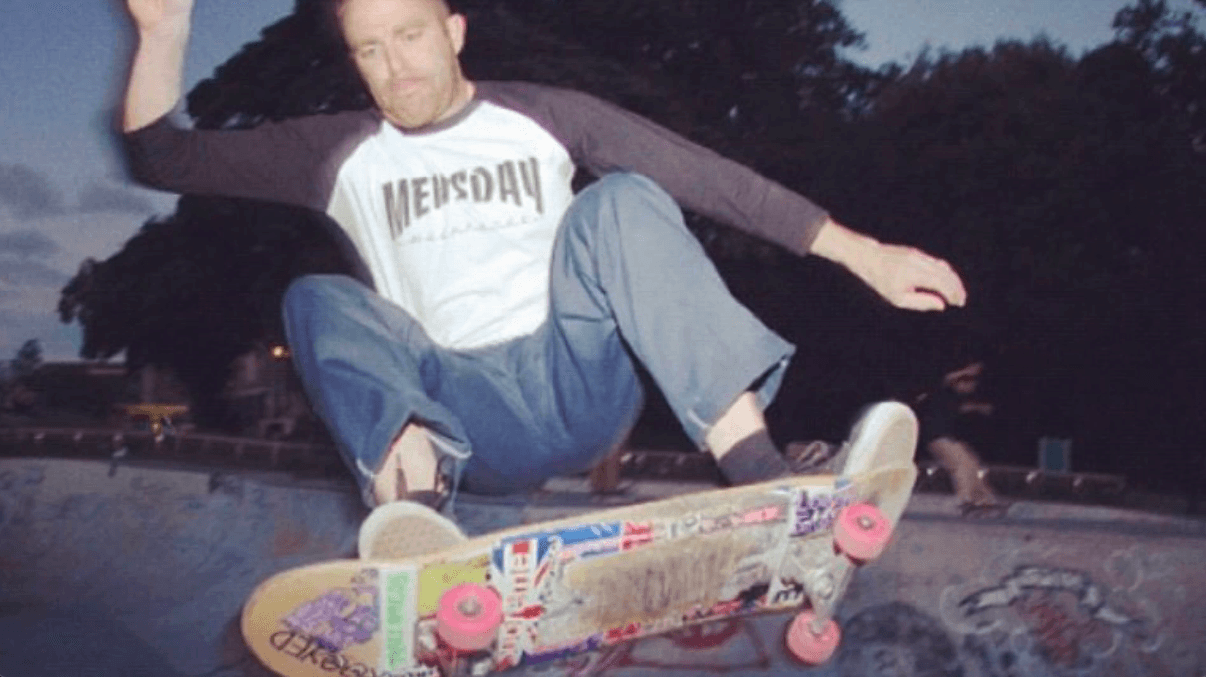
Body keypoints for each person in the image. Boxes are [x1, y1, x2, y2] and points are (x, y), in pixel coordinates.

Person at [119, 0, 968, 512]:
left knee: (623, 200)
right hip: (461, 417)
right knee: (316, 297)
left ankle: (756, 473)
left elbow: (704, 179)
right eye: (370, 50)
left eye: (409, 36)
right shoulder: (333, 151)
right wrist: (164, 32)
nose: (395, 68)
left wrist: (864, 254)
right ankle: (411, 520)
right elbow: (165, 158)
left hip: (576, 379)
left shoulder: (545, 114)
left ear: (454, 32)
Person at [915, 361, 1004, 513]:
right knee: (961, 465)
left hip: (947, 438)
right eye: (970, 386)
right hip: (936, 437)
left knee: (973, 463)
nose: (971, 389)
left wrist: (979, 408)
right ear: (960, 383)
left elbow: (963, 408)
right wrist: (967, 371)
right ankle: (965, 500)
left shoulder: (955, 398)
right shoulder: (944, 391)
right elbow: (946, 378)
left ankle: (985, 500)